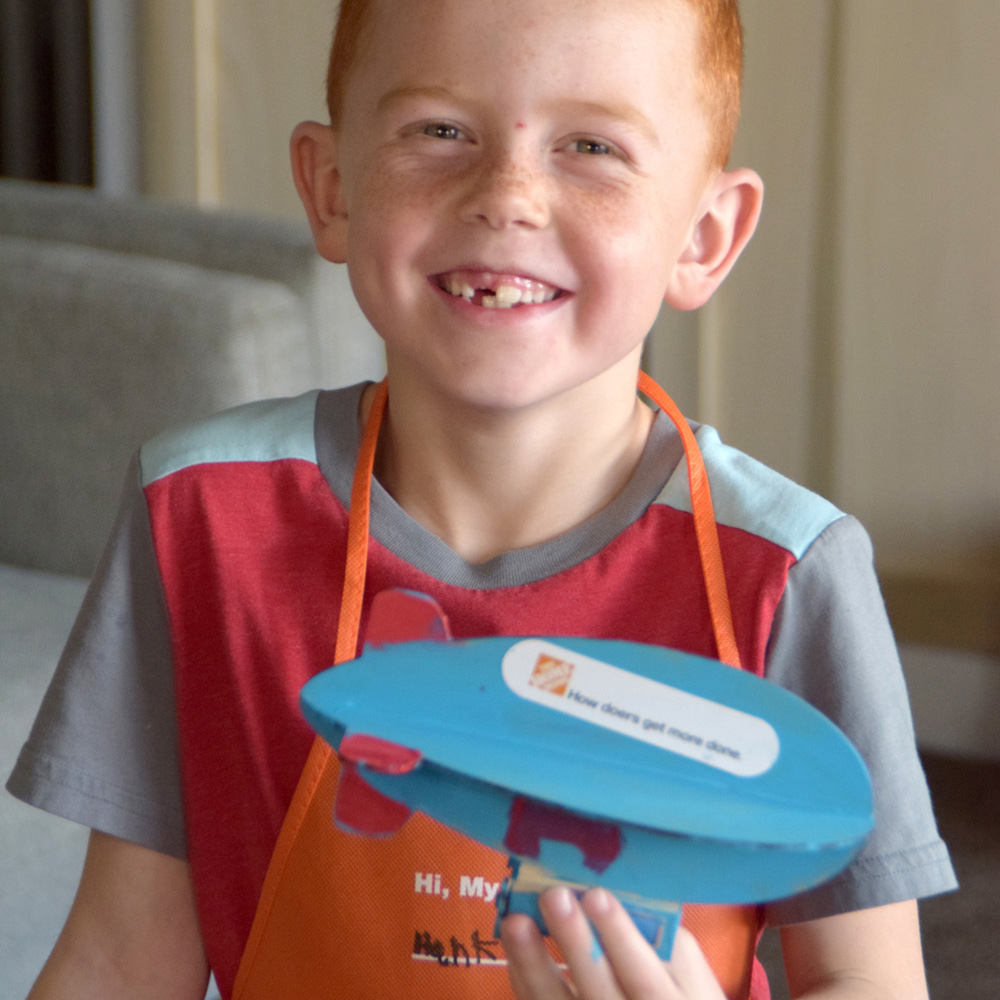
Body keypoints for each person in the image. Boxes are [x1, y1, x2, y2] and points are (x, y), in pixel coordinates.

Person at [7, 0, 957, 997]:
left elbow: (866, 979)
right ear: (331, 188)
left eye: (591, 146)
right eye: (439, 132)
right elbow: (120, 962)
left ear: (704, 234)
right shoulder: (198, 516)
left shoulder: (787, 572)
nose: (507, 196)